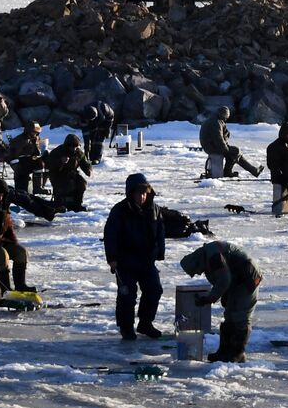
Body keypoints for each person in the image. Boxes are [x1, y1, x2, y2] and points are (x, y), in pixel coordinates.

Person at [103, 173, 165, 341]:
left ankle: (145, 323)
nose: (142, 196)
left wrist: (159, 252)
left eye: (145, 193)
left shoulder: (154, 209)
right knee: (127, 295)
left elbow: (160, 232)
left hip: (146, 260)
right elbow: (110, 235)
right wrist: (112, 259)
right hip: (125, 261)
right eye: (139, 193)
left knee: (154, 290)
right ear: (131, 193)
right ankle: (126, 327)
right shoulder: (119, 211)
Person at [179, 240, 263, 363]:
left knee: (240, 317)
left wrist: (209, 298)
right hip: (237, 279)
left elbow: (224, 280)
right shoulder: (208, 255)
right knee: (229, 315)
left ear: (197, 262)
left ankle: (237, 353)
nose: (199, 273)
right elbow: (223, 278)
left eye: (197, 270)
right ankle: (224, 352)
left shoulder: (213, 257)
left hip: (248, 278)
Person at [200, 107, 262, 178]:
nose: (226, 119)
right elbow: (218, 139)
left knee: (234, 153)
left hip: (211, 146)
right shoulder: (216, 122)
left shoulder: (215, 119)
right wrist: (226, 149)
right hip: (213, 147)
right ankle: (229, 172)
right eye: (226, 117)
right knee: (235, 152)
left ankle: (253, 171)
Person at [44, 133, 91, 211]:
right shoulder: (57, 151)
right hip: (58, 175)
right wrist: (60, 161)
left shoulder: (79, 152)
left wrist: (87, 169)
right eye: (72, 146)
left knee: (82, 183)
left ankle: (77, 204)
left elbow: (84, 162)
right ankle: (61, 204)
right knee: (68, 185)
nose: (74, 149)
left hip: (72, 173)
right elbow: (49, 165)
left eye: (76, 147)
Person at [7, 122, 47, 192]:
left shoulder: (34, 139)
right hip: (20, 164)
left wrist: (41, 149)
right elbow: (11, 155)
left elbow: (36, 152)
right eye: (34, 132)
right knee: (38, 163)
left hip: (28, 161)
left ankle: (39, 186)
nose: (35, 134)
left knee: (44, 161)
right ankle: (36, 188)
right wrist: (17, 167)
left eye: (37, 133)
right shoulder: (21, 140)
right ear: (28, 131)